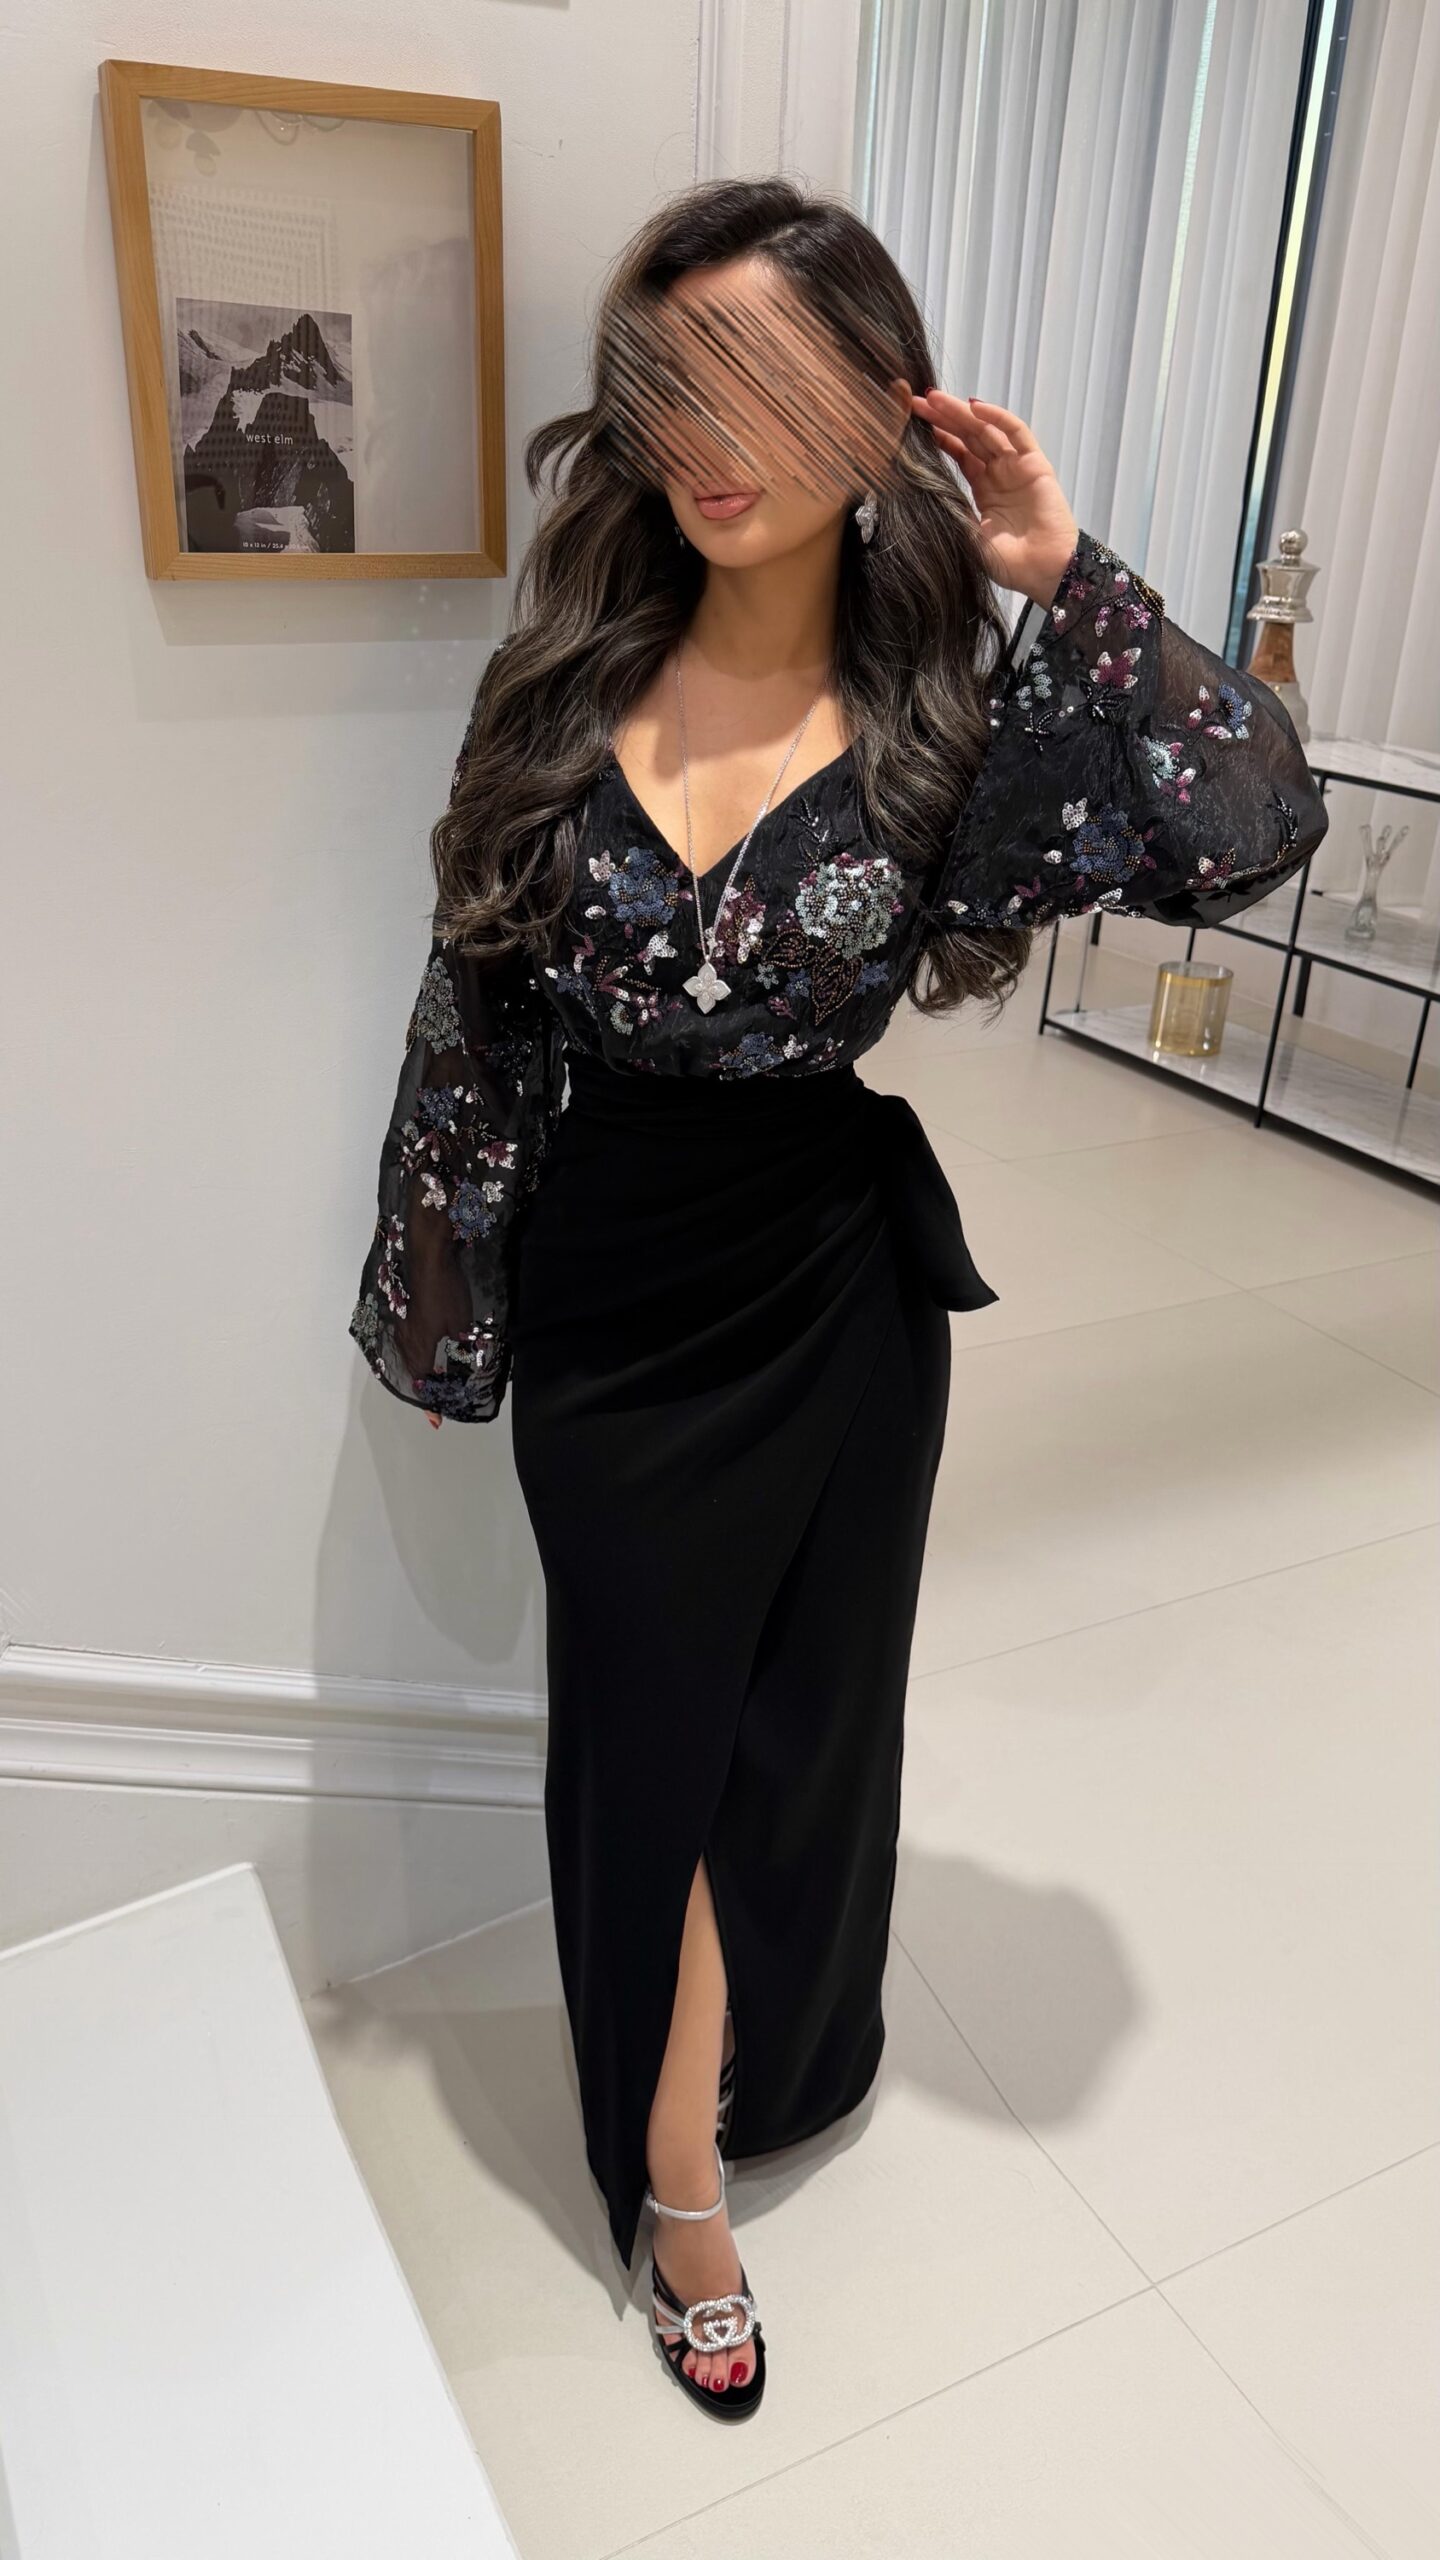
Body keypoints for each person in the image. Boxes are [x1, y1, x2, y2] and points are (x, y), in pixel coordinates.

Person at [348, 177, 1329, 2421]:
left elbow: (1250, 824)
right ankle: (677, 2178)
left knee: (800, 1735)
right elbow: (472, 1006)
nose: (711, 439)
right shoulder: (561, 682)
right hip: (615, 1300)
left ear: (886, 407)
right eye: (673, 384)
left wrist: (1066, 570)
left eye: (766, 383)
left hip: (830, 1292)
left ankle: (773, 2067)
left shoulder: (942, 724)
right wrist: (448, 1296)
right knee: (653, 1738)